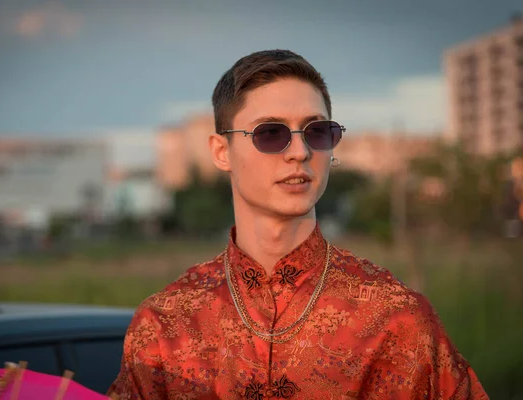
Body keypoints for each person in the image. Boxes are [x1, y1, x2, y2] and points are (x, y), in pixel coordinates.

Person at [107, 50, 488, 399]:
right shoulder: (163, 325)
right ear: (222, 152)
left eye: (316, 132)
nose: (300, 152)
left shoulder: (398, 320)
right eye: (270, 133)